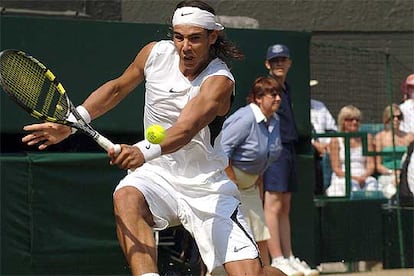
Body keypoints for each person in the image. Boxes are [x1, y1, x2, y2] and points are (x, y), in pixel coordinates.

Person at [21, 1, 284, 275]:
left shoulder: (219, 81)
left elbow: (186, 128)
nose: (185, 47)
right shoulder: (154, 54)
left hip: (207, 187)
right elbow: (117, 88)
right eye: (178, 37)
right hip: (158, 175)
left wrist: (142, 151)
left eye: (195, 38)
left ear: (212, 37)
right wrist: (73, 124)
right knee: (126, 196)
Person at [263, 44, 319, 276]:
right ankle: (277, 259)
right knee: (273, 204)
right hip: (274, 151)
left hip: (288, 149)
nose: (279, 64)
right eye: (274, 61)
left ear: (289, 63)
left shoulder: (287, 88)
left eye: (282, 60)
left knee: (285, 205)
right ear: (268, 64)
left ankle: (288, 256)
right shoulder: (267, 87)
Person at [220, 76, 283, 267]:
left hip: (251, 185)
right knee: (234, 236)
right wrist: (232, 182)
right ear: (257, 98)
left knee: (260, 235)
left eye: (278, 94)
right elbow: (221, 150)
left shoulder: (275, 120)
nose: (277, 98)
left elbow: (265, 155)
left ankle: (262, 272)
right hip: (230, 185)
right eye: (272, 94)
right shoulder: (245, 118)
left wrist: (258, 179)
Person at [326, 105, 378, 197]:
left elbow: (371, 165)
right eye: (350, 119)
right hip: (343, 177)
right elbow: (336, 169)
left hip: (363, 176)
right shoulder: (335, 140)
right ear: (343, 121)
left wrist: (363, 177)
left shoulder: (367, 138)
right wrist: (354, 178)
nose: (354, 122)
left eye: (357, 120)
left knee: (372, 183)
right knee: (347, 186)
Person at [374, 104, 414, 198]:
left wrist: (403, 173)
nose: (396, 120)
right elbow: (378, 165)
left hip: (407, 173)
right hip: (387, 175)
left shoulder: (410, 137)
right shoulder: (380, 138)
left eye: (398, 117)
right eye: (393, 117)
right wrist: (392, 172)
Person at [310, 79, 337, 194]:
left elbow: (332, 128)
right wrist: (315, 144)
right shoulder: (294, 106)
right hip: (310, 147)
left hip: (326, 147)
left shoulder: (320, 106)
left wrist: (329, 144)